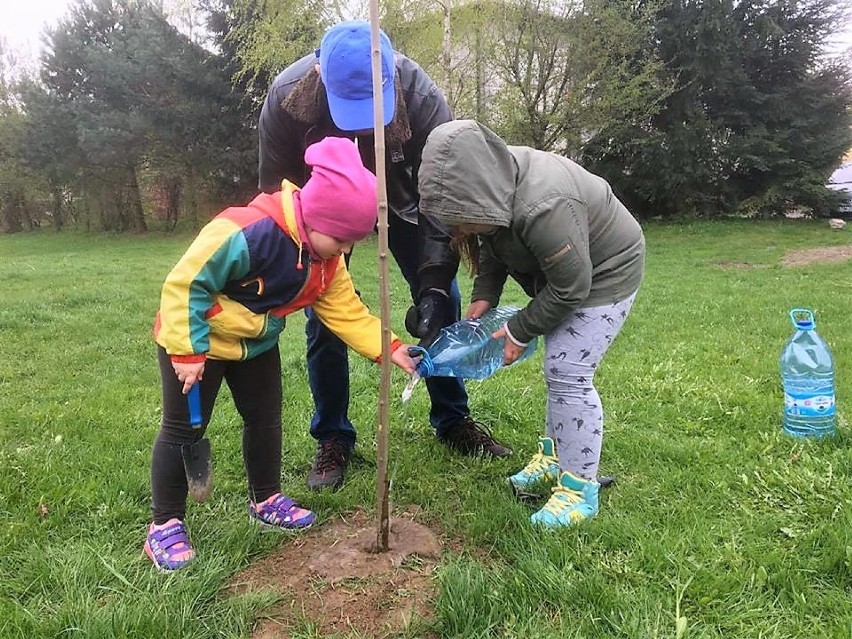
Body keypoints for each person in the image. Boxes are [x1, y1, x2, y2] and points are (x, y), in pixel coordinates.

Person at [258, 20, 511, 491]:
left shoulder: (420, 96)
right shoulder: (288, 99)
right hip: (327, 214)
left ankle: (452, 419)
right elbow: (280, 195)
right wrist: (302, 265)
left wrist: (434, 279)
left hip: (411, 207)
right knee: (325, 319)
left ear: (392, 77)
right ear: (320, 74)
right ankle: (332, 436)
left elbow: (444, 191)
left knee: (445, 300)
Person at [144, 137, 417, 571]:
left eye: (353, 242)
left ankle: (265, 497)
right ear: (316, 218)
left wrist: (392, 349)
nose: (345, 250)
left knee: (265, 419)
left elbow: (347, 312)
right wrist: (186, 350)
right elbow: (185, 284)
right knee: (184, 431)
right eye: (341, 238)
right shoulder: (245, 232)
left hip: (256, 345)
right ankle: (165, 525)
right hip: (199, 344)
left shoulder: (326, 261)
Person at [418, 120, 645, 529]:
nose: (460, 231)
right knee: (558, 367)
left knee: (568, 371)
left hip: (606, 273)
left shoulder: (544, 205)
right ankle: (555, 456)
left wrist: (521, 330)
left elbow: (573, 285)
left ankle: (579, 488)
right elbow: (494, 247)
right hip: (567, 277)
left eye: (462, 221)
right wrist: (483, 296)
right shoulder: (493, 188)